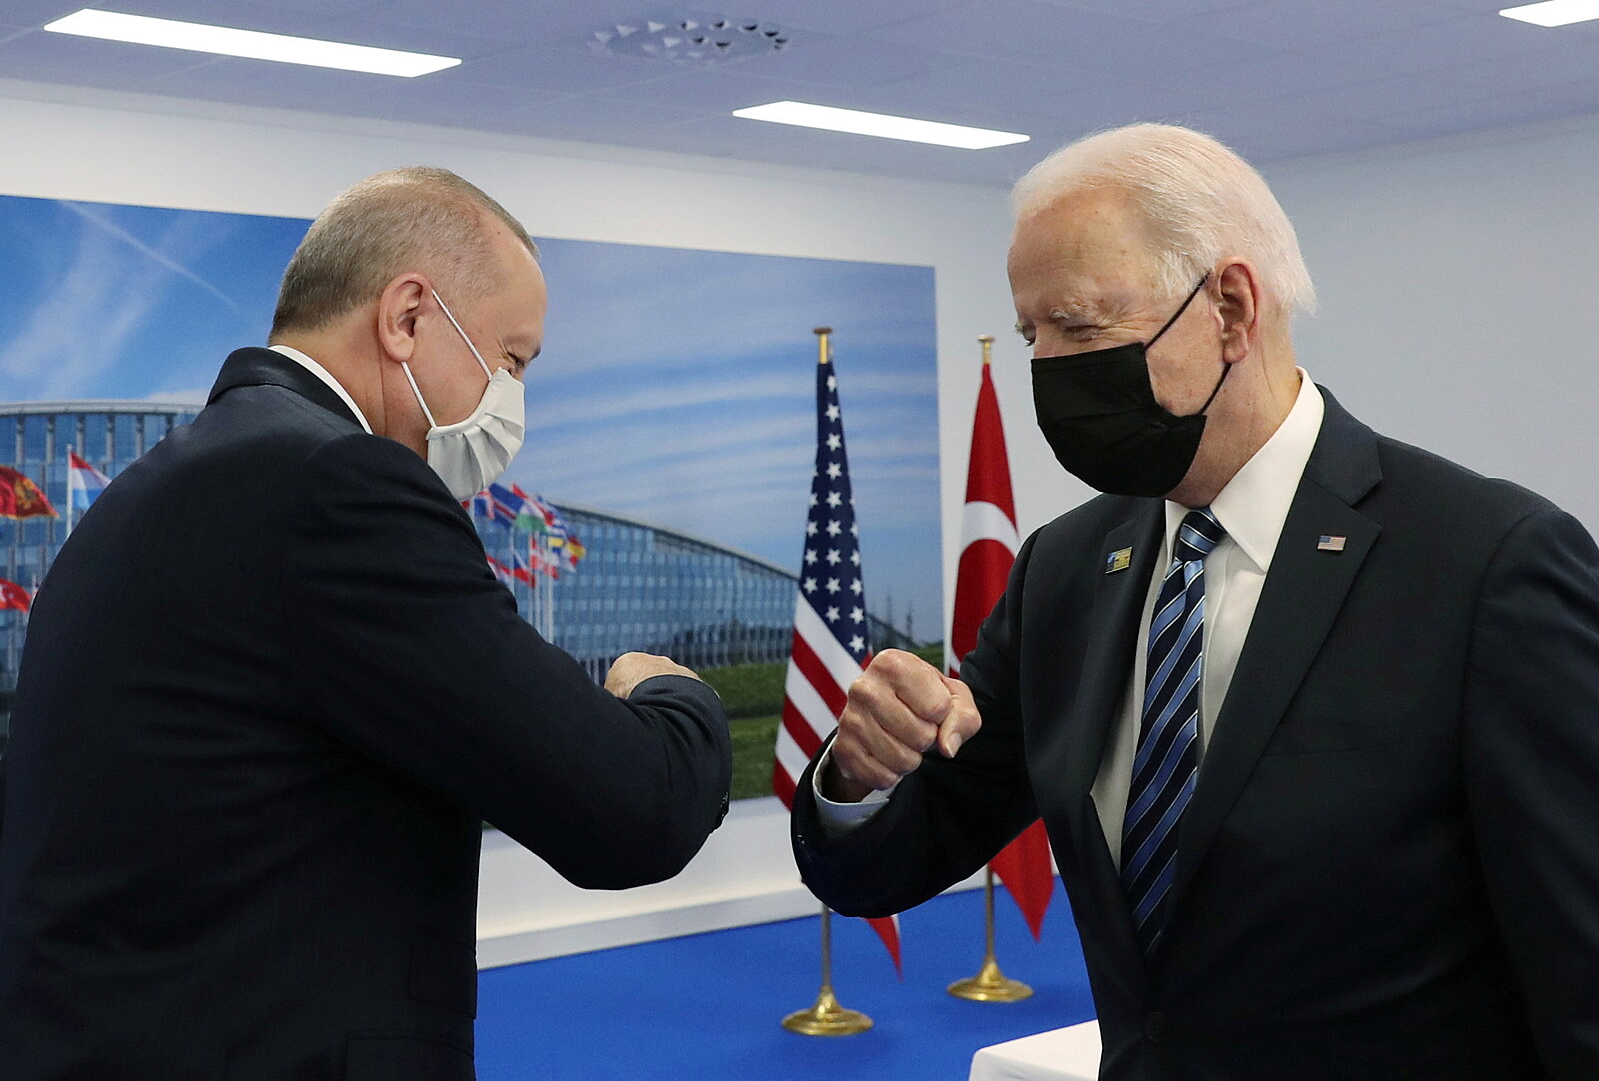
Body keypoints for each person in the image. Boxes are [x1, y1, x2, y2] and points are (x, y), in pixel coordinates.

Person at [792, 124, 1599, 1079]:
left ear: (1230, 308)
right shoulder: (1065, 568)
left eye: (1081, 327)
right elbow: (889, 862)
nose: (1048, 368)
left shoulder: (1484, 563)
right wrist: (859, 776)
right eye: (1031, 335)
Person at [0, 167, 732, 1080]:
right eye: (512, 361)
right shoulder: (339, 487)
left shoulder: (166, 485)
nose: (513, 401)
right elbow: (631, 810)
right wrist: (669, 695)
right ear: (407, 319)